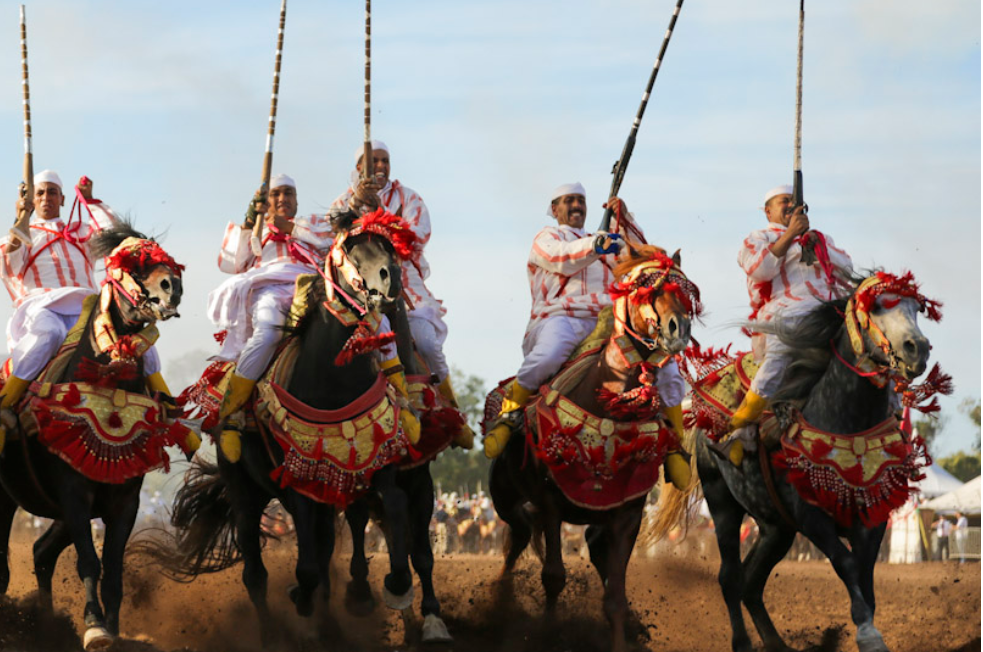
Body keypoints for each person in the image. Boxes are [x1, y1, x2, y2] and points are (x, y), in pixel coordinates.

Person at [483, 182, 689, 488]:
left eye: (580, 200)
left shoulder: (608, 241)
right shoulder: (547, 237)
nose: (576, 205)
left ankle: (675, 442)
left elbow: (645, 260)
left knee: (665, 363)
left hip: (608, 322)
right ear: (555, 209)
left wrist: (626, 219)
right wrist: (595, 246)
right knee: (549, 355)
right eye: (568, 201)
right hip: (559, 317)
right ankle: (509, 415)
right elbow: (561, 259)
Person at [206, 174, 414, 462]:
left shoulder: (310, 223)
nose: (282, 199)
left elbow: (336, 234)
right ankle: (233, 415)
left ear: (296, 198)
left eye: (288, 193)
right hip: (270, 290)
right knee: (266, 334)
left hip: (315, 287)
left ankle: (404, 403)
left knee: (380, 323)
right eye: (275, 194)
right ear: (265, 202)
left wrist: (292, 227)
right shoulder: (254, 229)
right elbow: (231, 263)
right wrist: (248, 222)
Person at [729, 185, 855, 462]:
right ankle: (740, 428)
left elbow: (847, 266)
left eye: (794, 201)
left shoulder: (820, 237)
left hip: (831, 315)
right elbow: (759, 269)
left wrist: (817, 245)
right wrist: (790, 236)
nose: (790, 205)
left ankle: (890, 422)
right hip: (784, 316)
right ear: (768, 210)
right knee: (778, 360)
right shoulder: (758, 237)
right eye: (784, 201)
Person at [331, 140, 454, 403]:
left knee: (427, 343)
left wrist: (379, 213)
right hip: (358, 290)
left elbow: (418, 237)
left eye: (385, 160)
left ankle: (448, 403)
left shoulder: (408, 197)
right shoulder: (342, 202)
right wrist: (355, 207)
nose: (380, 166)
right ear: (358, 168)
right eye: (374, 161)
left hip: (405, 284)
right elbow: (328, 239)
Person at [0, 171, 117, 409]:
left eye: (52, 192)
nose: (45, 197)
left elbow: (114, 238)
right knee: (48, 334)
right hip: (41, 307)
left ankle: (170, 411)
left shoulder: (82, 231)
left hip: (89, 309)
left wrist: (90, 201)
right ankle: (5, 404)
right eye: (39, 193)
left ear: (63, 199)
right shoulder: (22, 235)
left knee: (131, 343)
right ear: (31, 200)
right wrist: (21, 219)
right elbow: (6, 267)